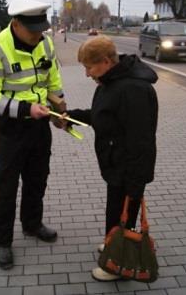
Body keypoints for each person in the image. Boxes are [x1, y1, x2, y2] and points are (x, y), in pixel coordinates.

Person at [0, 0, 65, 269]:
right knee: (6, 185)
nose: (38, 35)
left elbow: (53, 79)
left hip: (40, 123)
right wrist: (27, 109)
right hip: (12, 126)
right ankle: (2, 242)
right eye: (33, 30)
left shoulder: (45, 42)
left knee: (37, 178)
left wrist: (60, 105)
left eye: (42, 29)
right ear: (16, 24)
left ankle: (32, 224)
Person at [64, 36, 158, 281]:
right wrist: (69, 116)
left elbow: (141, 140)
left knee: (124, 213)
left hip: (129, 167)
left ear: (106, 62)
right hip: (116, 163)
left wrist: (136, 184)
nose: (86, 74)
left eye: (89, 67)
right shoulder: (110, 82)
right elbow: (101, 116)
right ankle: (113, 243)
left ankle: (117, 266)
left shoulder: (134, 89)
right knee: (114, 211)